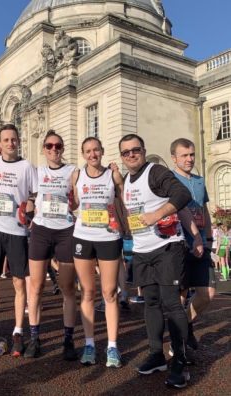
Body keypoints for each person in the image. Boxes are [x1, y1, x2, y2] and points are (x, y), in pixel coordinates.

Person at [119, 133, 202, 389]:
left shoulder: (155, 172)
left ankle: (179, 360)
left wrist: (158, 214)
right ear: (122, 157)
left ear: (143, 151)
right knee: (151, 303)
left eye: (136, 150)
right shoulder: (126, 180)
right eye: (126, 152)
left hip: (167, 247)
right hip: (143, 250)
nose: (132, 155)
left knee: (171, 304)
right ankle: (157, 355)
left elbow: (181, 194)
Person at [0, 124, 37, 357]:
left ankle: (17, 330)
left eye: (14, 139)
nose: (10, 143)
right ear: (0, 142)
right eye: (6, 140)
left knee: (18, 283)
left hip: (17, 231)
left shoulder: (26, 166)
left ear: (18, 141)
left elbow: (35, 193)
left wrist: (32, 206)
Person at [24, 130, 78, 360]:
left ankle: (68, 339)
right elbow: (27, 197)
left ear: (62, 148)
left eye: (58, 146)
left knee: (67, 288)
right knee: (35, 287)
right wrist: (28, 218)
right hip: (41, 231)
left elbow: (78, 199)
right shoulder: (37, 172)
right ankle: (34, 337)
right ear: (43, 149)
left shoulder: (72, 171)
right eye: (49, 146)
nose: (54, 150)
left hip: (65, 231)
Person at [72, 137, 124, 367]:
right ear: (83, 154)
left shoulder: (112, 175)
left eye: (96, 150)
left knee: (110, 292)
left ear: (102, 151)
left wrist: (120, 180)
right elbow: (72, 203)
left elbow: (124, 199)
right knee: (87, 292)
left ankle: (112, 346)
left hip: (108, 236)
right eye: (88, 151)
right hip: (83, 236)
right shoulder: (77, 175)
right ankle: (90, 343)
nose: (93, 154)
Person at [170, 138, 216, 350]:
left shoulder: (199, 180)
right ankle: (178, 342)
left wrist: (208, 238)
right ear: (174, 158)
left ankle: (186, 324)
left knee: (208, 293)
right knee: (181, 293)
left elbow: (204, 210)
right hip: (179, 243)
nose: (189, 159)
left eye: (191, 155)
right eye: (184, 156)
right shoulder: (170, 180)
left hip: (201, 244)